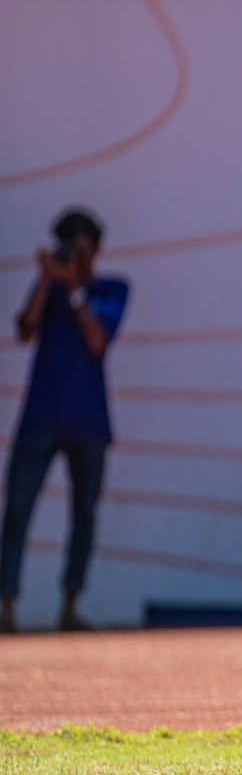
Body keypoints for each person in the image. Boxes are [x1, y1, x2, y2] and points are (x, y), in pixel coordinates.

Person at [1, 209, 129, 633]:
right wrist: (44, 281)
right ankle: (6, 608)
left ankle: (70, 606)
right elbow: (23, 332)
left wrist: (75, 291)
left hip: (88, 424)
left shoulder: (111, 289)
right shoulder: (48, 291)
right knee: (17, 513)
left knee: (84, 516)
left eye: (81, 244)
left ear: (96, 248)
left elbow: (98, 342)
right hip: (39, 419)